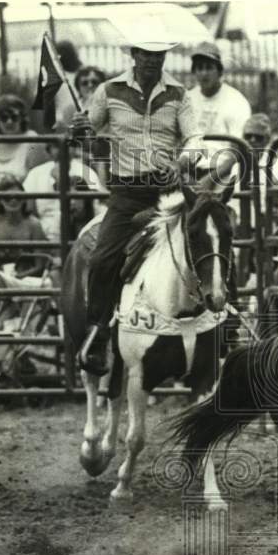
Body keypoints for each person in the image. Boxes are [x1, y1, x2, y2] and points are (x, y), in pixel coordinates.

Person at [69, 33, 204, 375]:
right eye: (145, 53)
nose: (151, 60)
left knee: (205, 246)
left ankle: (212, 327)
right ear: (134, 54)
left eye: (159, 53)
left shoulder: (179, 95)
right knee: (102, 258)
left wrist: (183, 162)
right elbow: (86, 135)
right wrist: (80, 128)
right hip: (127, 194)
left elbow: (195, 138)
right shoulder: (108, 91)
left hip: (168, 194)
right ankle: (98, 332)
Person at [22, 134, 104, 246]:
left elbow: (94, 209)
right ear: (49, 150)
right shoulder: (36, 173)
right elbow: (27, 209)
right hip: (43, 237)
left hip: (77, 235)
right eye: (56, 146)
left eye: (68, 145)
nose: (62, 149)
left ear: (74, 149)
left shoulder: (86, 172)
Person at [0, 174, 49, 279]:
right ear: (0, 200)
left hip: (28, 280)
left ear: (24, 199)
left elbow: (39, 266)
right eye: (7, 198)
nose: (13, 201)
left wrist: (18, 278)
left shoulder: (34, 225)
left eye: (18, 197)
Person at [187, 42, 252, 155]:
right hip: (190, 166)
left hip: (224, 167)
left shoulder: (236, 101)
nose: (204, 73)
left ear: (220, 72)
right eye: (199, 68)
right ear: (194, 72)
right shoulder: (188, 99)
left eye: (209, 68)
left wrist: (214, 173)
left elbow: (237, 151)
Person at [0, 94, 47, 186]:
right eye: (4, 118)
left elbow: (38, 177)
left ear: (22, 119)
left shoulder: (32, 140)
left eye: (14, 117)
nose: (9, 122)